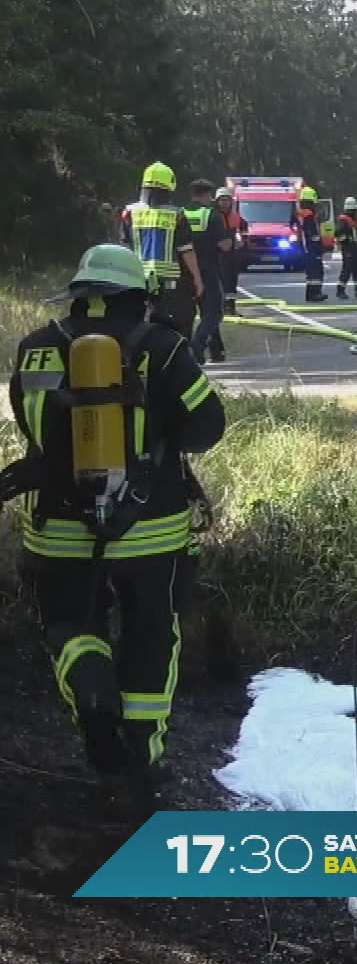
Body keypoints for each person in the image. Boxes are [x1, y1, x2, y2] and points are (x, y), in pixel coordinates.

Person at [0, 244, 226, 814]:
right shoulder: (162, 346)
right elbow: (205, 429)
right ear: (136, 295)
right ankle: (143, 755)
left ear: (79, 293)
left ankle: (93, 689)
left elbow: (33, 432)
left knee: (69, 625)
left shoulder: (34, 350)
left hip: (58, 530)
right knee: (153, 633)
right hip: (152, 530)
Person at [117, 161, 204, 336]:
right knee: (177, 327)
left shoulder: (129, 212)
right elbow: (186, 250)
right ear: (169, 186)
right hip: (170, 284)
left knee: (138, 326)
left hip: (136, 281)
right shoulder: (176, 215)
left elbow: (123, 249)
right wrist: (197, 279)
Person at [181, 179, 230, 364]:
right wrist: (231, 241)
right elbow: (223, 245)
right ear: (207, 195)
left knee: (203, 312)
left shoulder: (181, 214)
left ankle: (217, 352)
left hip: (185, 269)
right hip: (207, 268)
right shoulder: (210, 214)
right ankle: (197, 348)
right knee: (214, 313)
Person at [214, 186, 248, 316]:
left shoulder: (236, 216)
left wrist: (243, 241)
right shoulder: (213, 216)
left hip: (232, 255)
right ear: (217, 201)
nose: (224, 203)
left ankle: (230, 308)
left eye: (227, 200)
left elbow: (244, 228)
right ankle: (220, 308)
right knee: (219, 282)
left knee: (232, 282)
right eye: (221, 200)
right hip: (217, 255)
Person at [296, 186, 326, 302]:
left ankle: (312, 293)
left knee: (312, 273)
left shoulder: (303, 215)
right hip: (312, 249)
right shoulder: (309, 217)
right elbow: (313, 234)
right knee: (316, 271)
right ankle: (314, 294)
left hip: (307, 249)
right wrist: (319, 247)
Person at [334, 196, 357, 299]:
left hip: (356, 250)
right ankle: (340, 291)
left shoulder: (354, 220)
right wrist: (347, 240)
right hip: (348, 249)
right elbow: (338, 235)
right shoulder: (343, 220)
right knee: (346, 270)